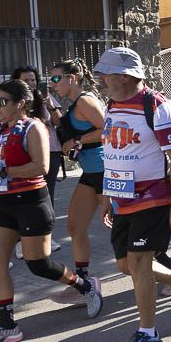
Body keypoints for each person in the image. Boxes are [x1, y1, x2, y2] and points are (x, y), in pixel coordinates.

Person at [0, 79, 104, 342]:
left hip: (30, 202)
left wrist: (1, 171)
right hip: (1, 203)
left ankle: (84, 286)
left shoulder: (33, 127)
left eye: (3, 101)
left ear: (21, 104)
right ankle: (8, 325)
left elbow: (41, 167)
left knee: (38, 264)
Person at [96, 47, 171, 342]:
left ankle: (148, 334)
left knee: (140, 264)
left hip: (153, 197)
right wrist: (106, 196)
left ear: (124, 76)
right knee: (125, 265)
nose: (101, 80)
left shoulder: (157, 106)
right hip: (122, 198)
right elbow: (113, 153)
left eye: (105, 74)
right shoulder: (112, 105)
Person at [48, 58, 106, 304]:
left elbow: (108, 129)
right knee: (75, 226)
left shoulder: (85, 101)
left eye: (55, 78)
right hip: (90, 172)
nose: (52, 84)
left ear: (71, 78)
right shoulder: (76, 103)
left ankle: (170, 268)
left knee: (122, 229)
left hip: (104, 171)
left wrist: (78, 141)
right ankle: (84, 284)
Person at [11, 66, 64, 213]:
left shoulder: (44, 96)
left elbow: (59, 123)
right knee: (27, 191)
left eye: (33, 80)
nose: (30, 83)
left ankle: (46, 222)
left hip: (50, 151)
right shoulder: (14, 101)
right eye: (26, 80)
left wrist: (51, 107)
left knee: (47, 191)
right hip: (25, 151)